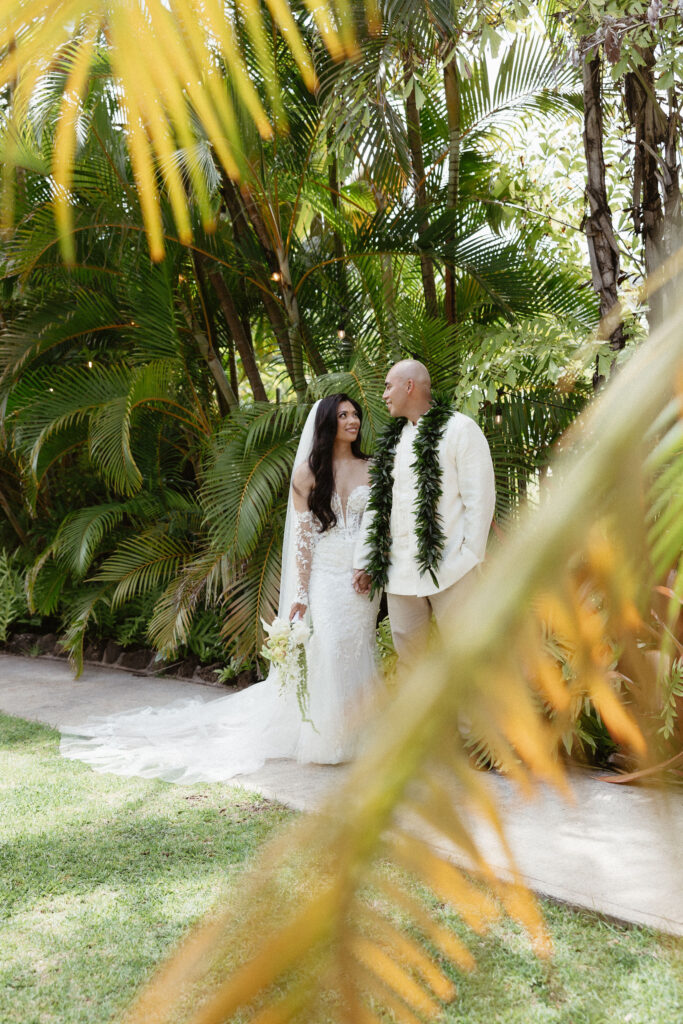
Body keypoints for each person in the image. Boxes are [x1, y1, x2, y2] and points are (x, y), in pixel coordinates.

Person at [60, 395, 380, 784]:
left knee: (358, 647)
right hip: (325, 576)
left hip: (361, 578)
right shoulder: (306, 474)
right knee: (328, 649)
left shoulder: (373, 469)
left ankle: (366, 733)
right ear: (327, 424)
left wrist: (370, 567)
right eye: (344, 415)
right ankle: (330, 740)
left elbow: (379, 527)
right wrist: (300, 594)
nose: (353, 420)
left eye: (355, 414)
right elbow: (303, 539)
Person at [352, 360, 495, 672]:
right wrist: (365, 560)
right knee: (410, 665)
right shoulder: (392, 443)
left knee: (466, 659)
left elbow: (480, 498)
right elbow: (378, 505)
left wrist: (469, 556)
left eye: (388, 386)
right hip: (400, 574)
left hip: (452, 570)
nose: (384, 395)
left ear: (409, 386)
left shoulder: (460, 430)